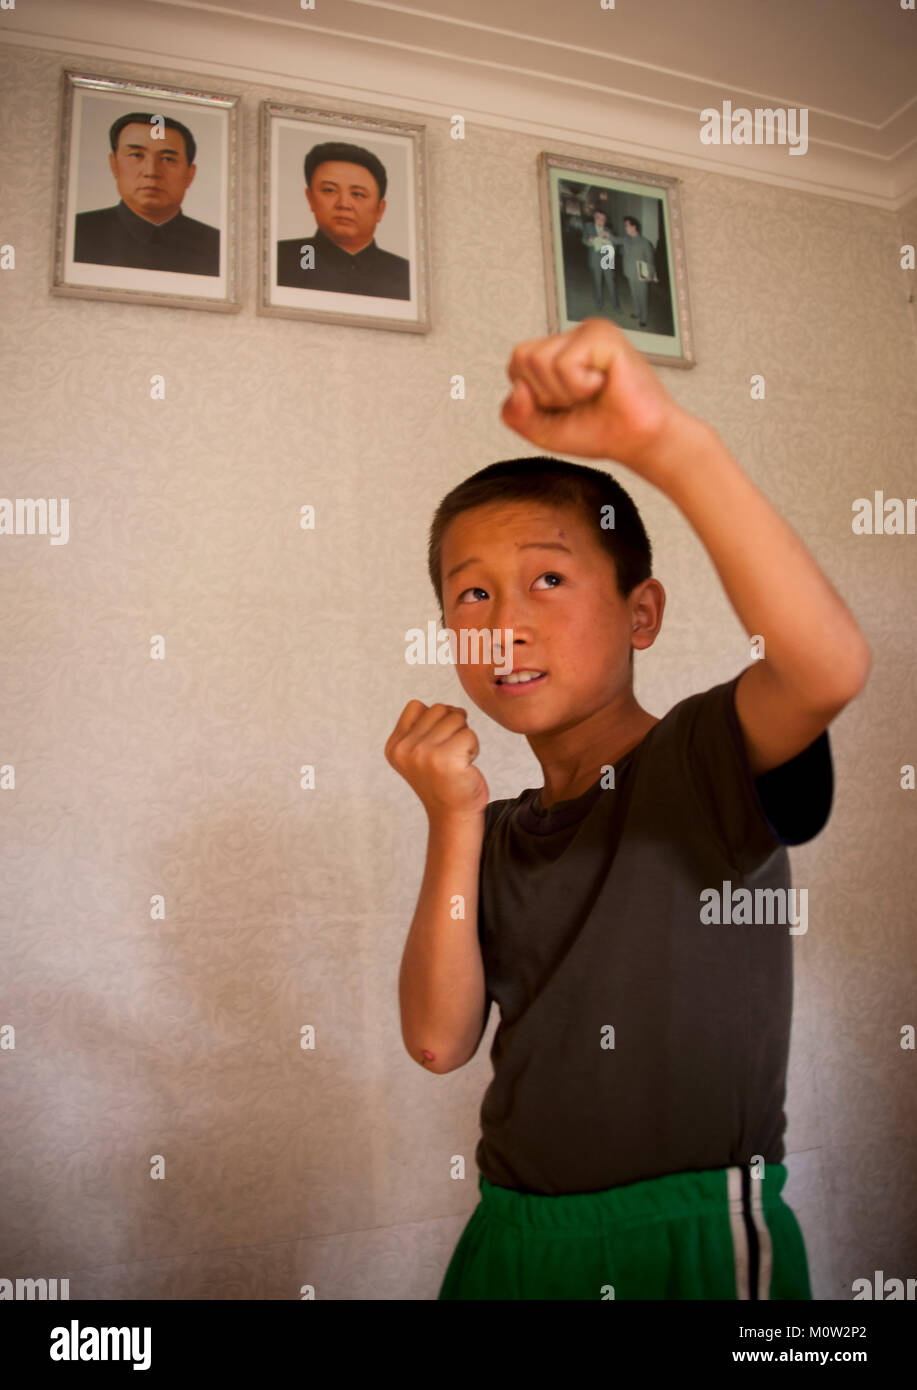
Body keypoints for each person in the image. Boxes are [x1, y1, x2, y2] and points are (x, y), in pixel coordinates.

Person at [385, 317, 871, 1300]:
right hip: (511, 1232)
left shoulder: (696, 758)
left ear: (639, 612)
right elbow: (438, 1041)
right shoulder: (497, 829)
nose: (505, 622)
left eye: (547, 579)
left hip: (689, 1237)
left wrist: (665, 444)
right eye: (470, 597)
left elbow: (825, 665)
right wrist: (452, 817)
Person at [73, 112, 220, 276]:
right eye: (136, 155)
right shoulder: (74, 234)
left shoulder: (217, 246)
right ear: (114, 165)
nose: (151, 172)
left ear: (190, 174)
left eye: (168, 159)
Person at [276, 141, 410, 299]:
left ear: (380, 209)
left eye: (357, 194)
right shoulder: (280, 259)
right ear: (310, 198)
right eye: (329, 190)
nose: (344, 204)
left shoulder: (406, 274)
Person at [608, 215, 657, 327]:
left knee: (642, 295)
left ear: (634, 227)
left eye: (627, 226)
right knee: (634, 294)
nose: (625, 228)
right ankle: (636, 312)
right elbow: (616, 240)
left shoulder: (645, 242)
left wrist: (650, 274)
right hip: (629, 272)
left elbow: (650, 259)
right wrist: (608, 234)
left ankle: (644, 317)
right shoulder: (626, 239)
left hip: (641, 273)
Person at [581, 207, 618, 312]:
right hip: (594, 259)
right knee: (597, 282)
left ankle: (615, 305)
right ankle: (599, 303)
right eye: (598, 218)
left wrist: (609, 241)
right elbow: (584, 240)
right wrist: (590, 241)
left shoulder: (608, 230)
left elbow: (615, 246)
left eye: (602, 219)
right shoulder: (588, 227)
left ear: (605, 221)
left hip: (607, 258)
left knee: (611, 282)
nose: (600, 222)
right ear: (594, 218)